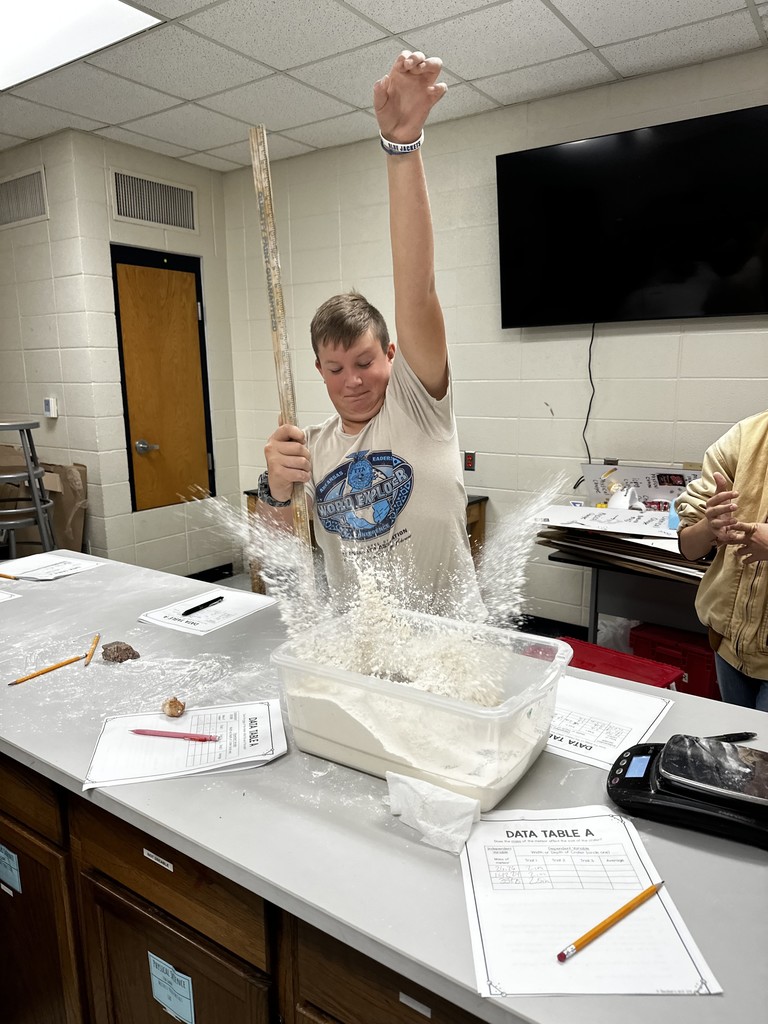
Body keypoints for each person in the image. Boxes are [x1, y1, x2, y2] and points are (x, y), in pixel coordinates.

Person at [256, 51, 484, 620]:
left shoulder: (420, 405)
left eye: (364, 362)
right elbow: (276, 562)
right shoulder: (309, 447)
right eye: (335, 369)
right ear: (318, 371)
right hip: (362, 657)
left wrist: (402, 146)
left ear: (390, 353)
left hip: (453, 652)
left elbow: (417, 291)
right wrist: (275, 493)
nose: (351, 381)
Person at [675, 410, 768, 711]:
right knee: (738, 753)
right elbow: (689, 547)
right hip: (728, 646)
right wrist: (708, 527)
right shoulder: (747, 436)